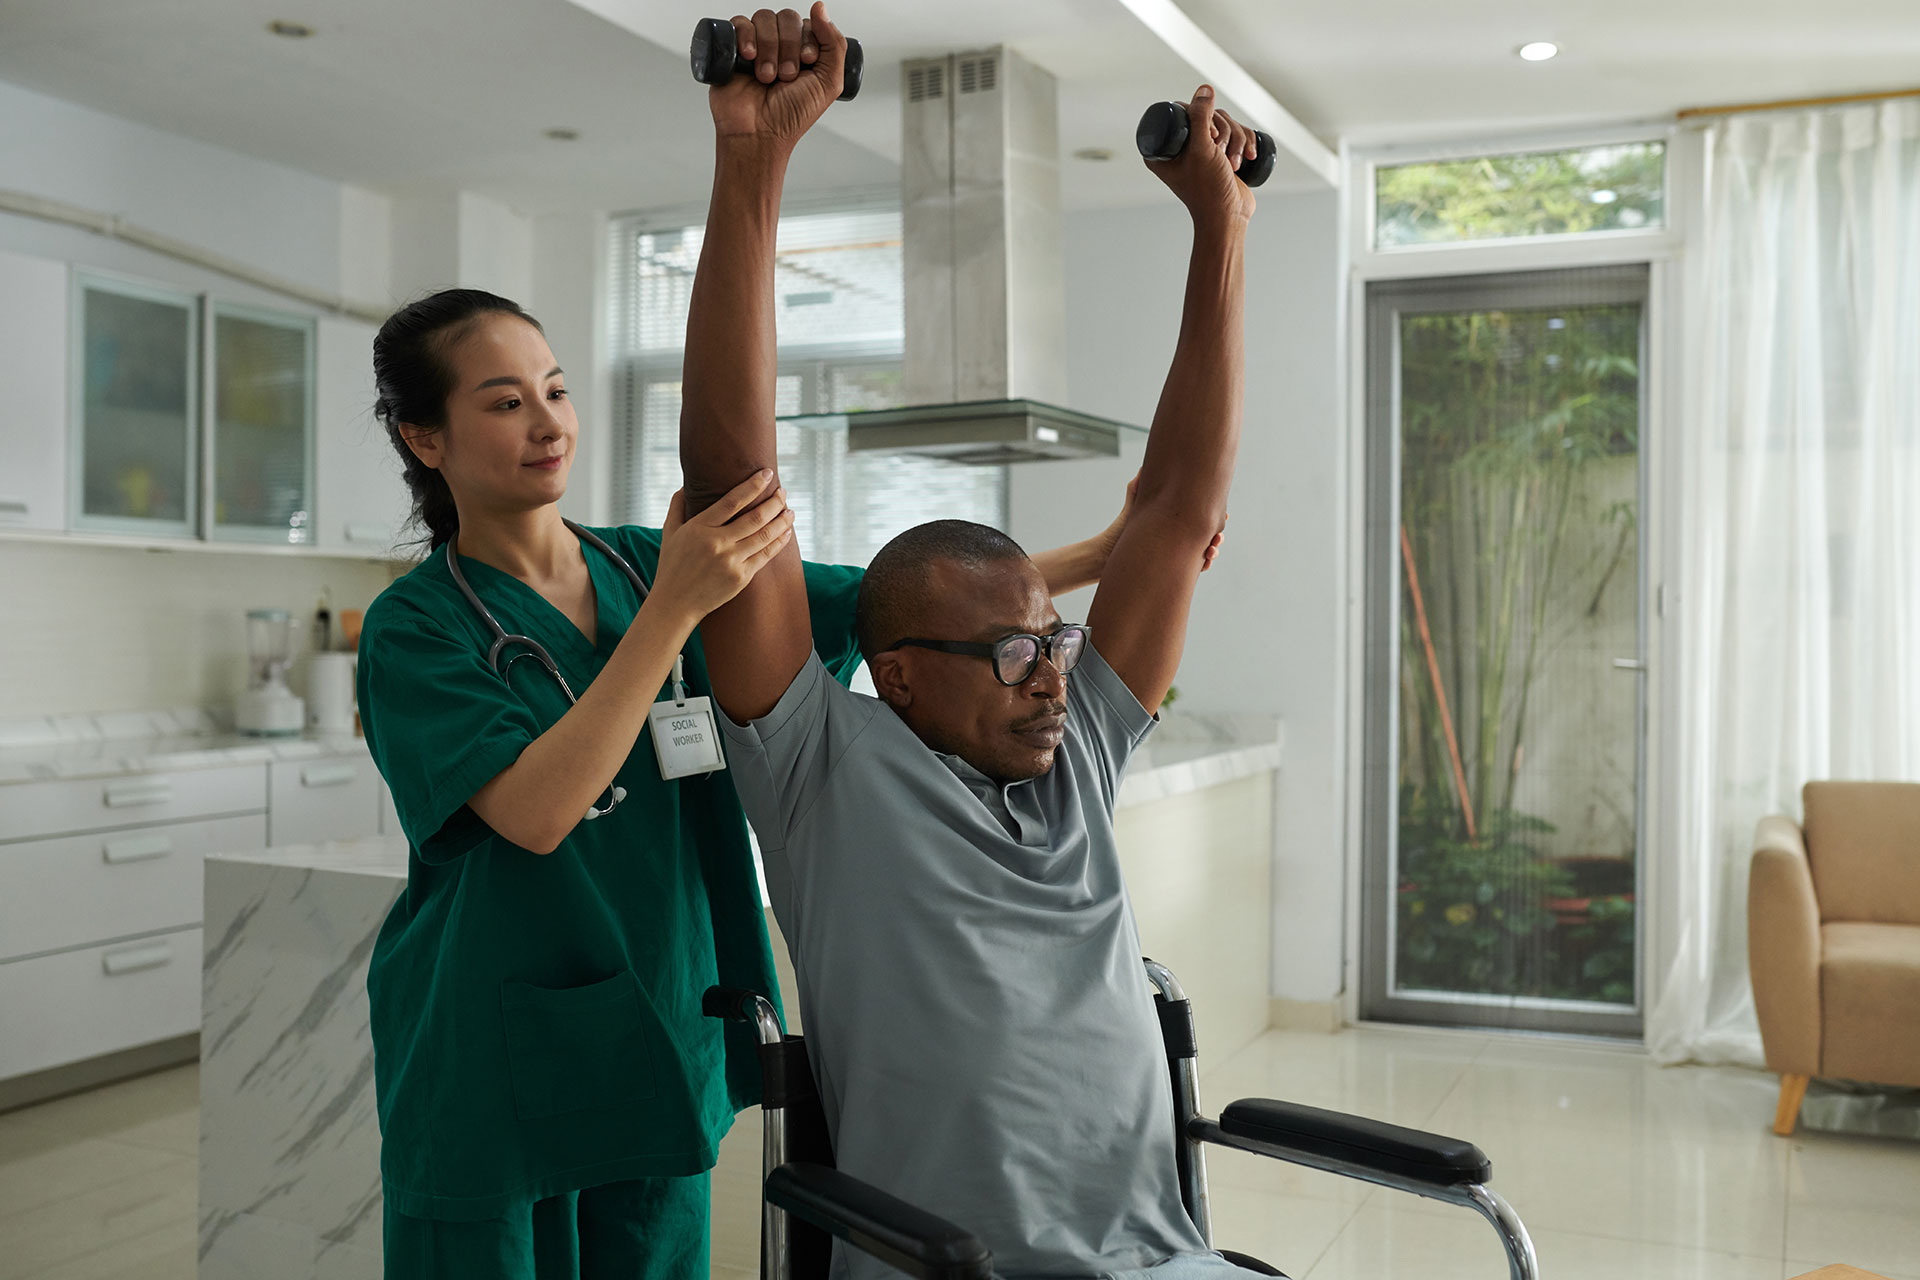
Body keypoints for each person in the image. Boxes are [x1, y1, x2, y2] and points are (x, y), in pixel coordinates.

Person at [354, 287, 1157, 1279]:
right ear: (424, 436)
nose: (549, 419)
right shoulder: (419, 627)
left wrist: (1108, 553)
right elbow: (533, 808)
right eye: (505, 401)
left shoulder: (644, 561)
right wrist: (675, 608)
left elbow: (904, 601)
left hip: (655, 1025)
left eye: (554, 389)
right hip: (489, 1052)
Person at [680, 6, 1257, 1277]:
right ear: (894, 675)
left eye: (1052, 642)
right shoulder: (819, 768)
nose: (1054, 676)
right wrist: (755, 161)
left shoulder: (1078, 754)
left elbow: (1174, 517)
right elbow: (733, 480)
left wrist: (1221, 229)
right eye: (1012, 655)